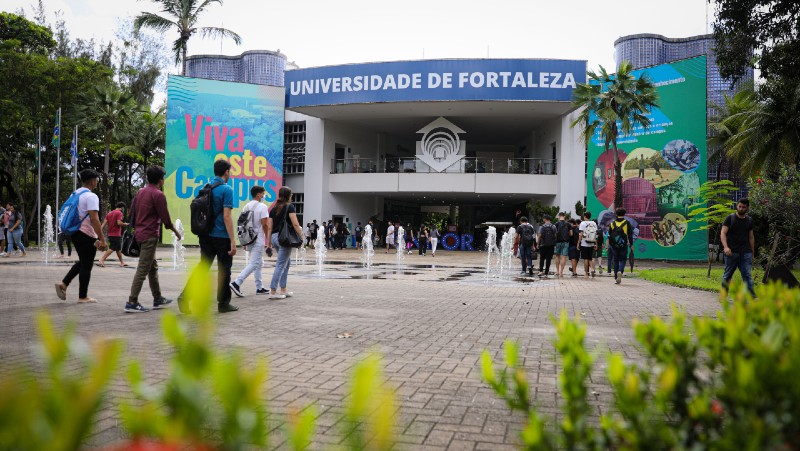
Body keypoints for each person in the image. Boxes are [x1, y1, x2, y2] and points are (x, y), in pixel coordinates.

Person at [177, 159, 239, 314]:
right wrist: (233, 240)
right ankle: (223, 303)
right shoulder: (227, 190)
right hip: (221, 236)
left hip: (205, 235)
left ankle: (185, 296)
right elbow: (226, 216)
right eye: (229, 171)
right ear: (226, 172)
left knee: (203, 267)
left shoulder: (205, 187)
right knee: (224, 269)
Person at [125, 165, 183, 313]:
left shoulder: (140, 192)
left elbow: (131, 213)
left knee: (152, 267)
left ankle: (157, 298)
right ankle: (132, 301)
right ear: (160, 180)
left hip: (139, 234)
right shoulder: (158, 195)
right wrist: (176, 232)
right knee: (143, 268)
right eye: (163, 178)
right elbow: (166, 220)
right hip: (149, 236)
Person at [54, 169, 106, 303]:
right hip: (86, 233)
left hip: (75, 232)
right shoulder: (91, 196)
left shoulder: (76, 193)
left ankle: (64, 284)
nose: (97, 182)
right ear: (92, 181)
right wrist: (102, 238)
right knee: (87, 265)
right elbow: (94, 219)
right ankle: (83, 296)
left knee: (83, 261)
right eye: (96, 179)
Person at [230, 185, 272, 297]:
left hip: (248, 239)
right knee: (254, 263)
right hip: (258, 239)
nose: (263, 196)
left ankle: (259, 287)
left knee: (259, 262)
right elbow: (264, 224)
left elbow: (242, 225)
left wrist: (244, 241)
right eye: (263, 194)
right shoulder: (262, 207)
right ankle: (237, 282)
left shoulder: (246, 206)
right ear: (258, 194)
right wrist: (268, 239)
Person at [267, 186, 304, 299]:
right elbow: (296, 224)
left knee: (286, 263)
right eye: (291, 194)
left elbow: (269, 228)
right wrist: (301, 237)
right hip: (284, 239)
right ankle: (273, 291)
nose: (292, 196)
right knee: (280, 265)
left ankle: (283, 289)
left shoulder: (273, 209)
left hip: (274, 238)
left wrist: (269, 244)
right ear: (288, 195)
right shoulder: (290, 207)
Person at [720, 198, 755, 297]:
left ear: (747, 208)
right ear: (737, 206)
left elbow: (751, 237)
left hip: (746, 252)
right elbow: (723, 233)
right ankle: (723, 295)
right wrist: (726, 247)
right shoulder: (730, 218)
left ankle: (753, 297)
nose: (741, 209)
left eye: (743, 207)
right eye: (739, 206)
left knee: (747, 275)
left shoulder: (749, 220)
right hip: (731, 252)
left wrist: (752, 253)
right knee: (727, 276)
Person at [97, 202, 129, 267]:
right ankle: (102, 259)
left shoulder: (109, 213)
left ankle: (122, 262)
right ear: (122, 208)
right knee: (112, 248)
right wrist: (125, 224)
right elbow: (119, 223)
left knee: (118, 249)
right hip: (116, 234)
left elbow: (104, 223)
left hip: (110, 233)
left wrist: (99, 231)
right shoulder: (119, 213)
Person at [607, 208, 634, 284]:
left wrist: (610, 244)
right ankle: (620, 271)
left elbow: (609, 235)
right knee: (623, 259)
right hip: (623, 245)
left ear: (616, 214)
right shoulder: (627, 223)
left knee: (615, 260)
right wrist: (631, 245)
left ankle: (616, 277)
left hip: (614, 245)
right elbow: (630, 235)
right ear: (624, 214)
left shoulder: (612, 223)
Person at [578, 212, 598, 278]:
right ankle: (592, 269)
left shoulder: (582, 223)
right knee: (590, 258)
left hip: (584, 243)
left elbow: (581, 234)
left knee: (585, 259)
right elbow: (596, 234)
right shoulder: (594, 223)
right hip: (592, 243)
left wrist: (578, 243)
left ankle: (586, 273)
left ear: (584, 216)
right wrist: (596, 243)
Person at [554, 213, 571, 277]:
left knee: (557, 256)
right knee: (563, 257)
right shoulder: (568, 224)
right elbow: (571, 234)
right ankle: (561, 272)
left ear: (559, 216)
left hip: (557, 242)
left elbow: (554, 234)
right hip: (566, 242)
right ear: (564, 216)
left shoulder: (556, 224)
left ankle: (557, 271)